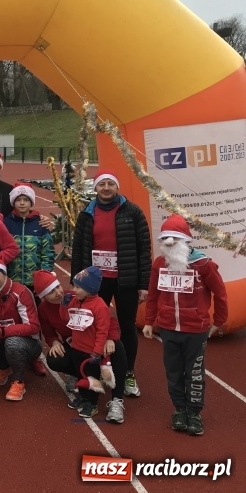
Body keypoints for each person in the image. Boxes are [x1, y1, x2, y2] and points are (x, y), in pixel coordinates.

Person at [143, 214, 228, 436]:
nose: (170, 242)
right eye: (166, 238)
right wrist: (149, 321)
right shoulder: (159, 264)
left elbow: (220, 294)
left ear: (185, 240)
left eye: (175, 238)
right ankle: (180, 409)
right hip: (169, 329)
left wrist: (219, 321)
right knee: (173, 371)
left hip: (196, 331)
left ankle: (194, 412)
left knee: (195, 373)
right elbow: (152, 295)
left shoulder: (204, 264)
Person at [71, 169, 152, 398]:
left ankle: (127, 373)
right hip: (96, 281)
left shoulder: (133, 212)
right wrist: (77, 281)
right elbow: (79, 250)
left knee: (126, 327)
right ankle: (92, 370)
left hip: (125, 279)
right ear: (95, 188)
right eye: (102, 184)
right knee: (90, 325)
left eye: (110, 184)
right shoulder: (87, 213)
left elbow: (144, 249)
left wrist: (143, 283)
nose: (106, 188)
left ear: (117, 187)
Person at [34, 270, 127, 423]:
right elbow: (49, 331)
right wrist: (54, 342)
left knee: (118, 348)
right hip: (76, 344)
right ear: (43, 297)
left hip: (96, 341)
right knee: (59, 360)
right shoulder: (46, 308)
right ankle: (85, 391)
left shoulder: (78, 295)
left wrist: (110, 338)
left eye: (57, 287)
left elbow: (108, 320)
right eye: (50, 292)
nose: (58, 293)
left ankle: (117, 398)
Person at [0, 256, 42, 402]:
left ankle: (18, 381)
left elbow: (33, 327)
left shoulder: (20, 292)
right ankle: (3, 367)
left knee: (13, 343)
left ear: (5, 274)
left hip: (27, 343)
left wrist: (3, 331)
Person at [55, 266, 111, 419]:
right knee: (81, 376)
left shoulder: (100, 307)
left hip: (91, 351)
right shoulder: (75, 301)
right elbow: (65, 318)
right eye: (74, 286)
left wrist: (97, 352)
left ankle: (92, 404)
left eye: (78, 287)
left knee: (92, 378)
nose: (74, 290)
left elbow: (102, 331)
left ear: (90, 289)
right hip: (76, 347)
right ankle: (83, 397)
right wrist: (64, 305)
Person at [3, 182, 55, 296]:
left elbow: (48, 253)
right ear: (13, 202)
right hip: (11, 282)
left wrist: (44, 277)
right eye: (18, 200)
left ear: (31, 202)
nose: (22, 203)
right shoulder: (5, 223)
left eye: (26, 200)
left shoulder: (41, 223)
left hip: (34, 283)